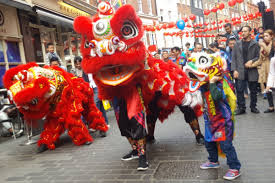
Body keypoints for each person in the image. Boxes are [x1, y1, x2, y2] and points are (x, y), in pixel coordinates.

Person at [200, 75, 241, 181]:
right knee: (209, 142)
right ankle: (213, 161)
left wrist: (212, 82)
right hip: (210, 121)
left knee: (226, 145)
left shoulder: (220, 83)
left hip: (223, 121)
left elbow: (216, 96)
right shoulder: (202, 85)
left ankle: (234, 167)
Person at [231, 26, 260, 115]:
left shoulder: (255, 43)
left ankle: (253, 106)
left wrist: (252, 61)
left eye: (245, 31)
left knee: (253, 90)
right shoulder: (237, 44)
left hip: (252, 70)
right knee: (239, 90)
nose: (243, 33)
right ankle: (241, 107)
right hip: (240, 70)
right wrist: (234, 70)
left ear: (249, 32)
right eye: (242, 31)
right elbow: (234, 58)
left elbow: (259, 57)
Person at [248, 30, 273, 99]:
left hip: (271, 67)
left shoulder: (272, 45)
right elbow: (260, 59)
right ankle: (271, 106)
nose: (265, 37)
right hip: (264, 68)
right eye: (264, 36)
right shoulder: (263, 45)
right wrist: (251, 65)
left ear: (271, 36)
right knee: (267, 86)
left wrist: (263, 45)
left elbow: (268, 53)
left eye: (267, 36)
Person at [83, 72, 109, 137]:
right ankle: (104, 123)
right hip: (89, 88)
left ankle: (101, 128)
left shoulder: (94, 66)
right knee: (100, 106)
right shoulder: (84, 68)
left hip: (97, 86)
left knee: (95, 106)